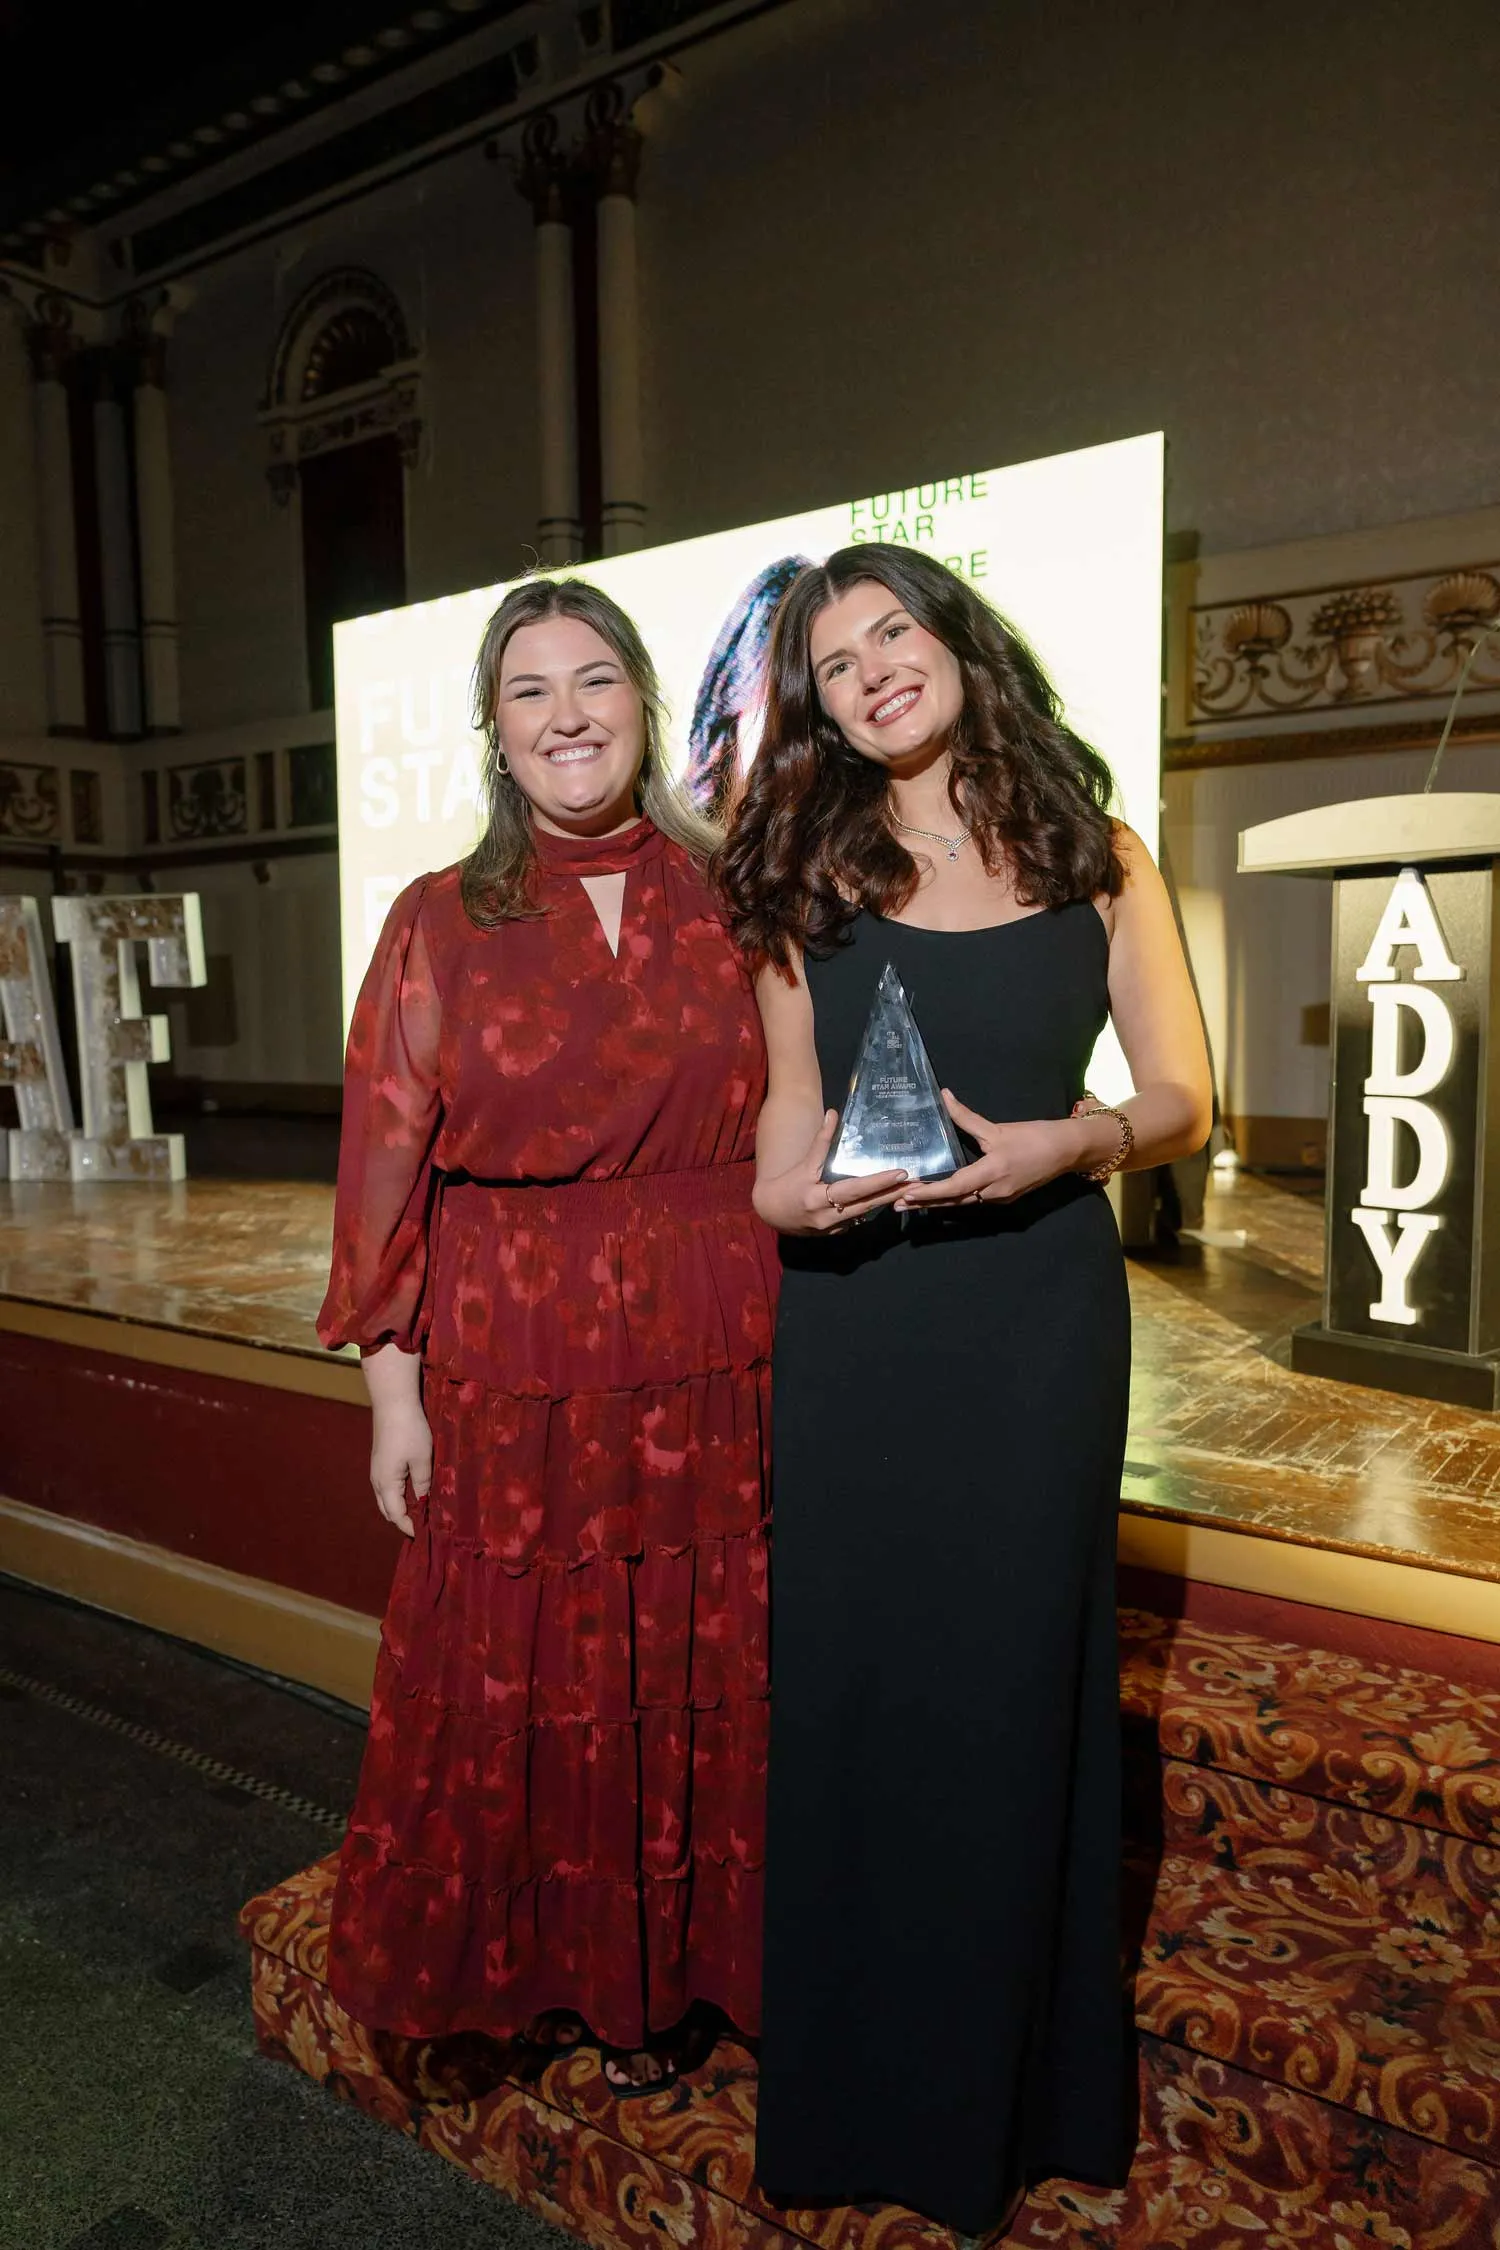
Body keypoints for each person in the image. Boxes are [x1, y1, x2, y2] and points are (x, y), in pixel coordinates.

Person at [716, 546, 1211, 2233]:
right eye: (836, 664)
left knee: (1013, 1694)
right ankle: (862, 2097)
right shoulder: (799, 870)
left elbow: (1181, 1098)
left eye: (892, 637)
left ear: (954, 642)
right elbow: (790, 1114)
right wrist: (782, 1195)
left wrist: (1078, 1142)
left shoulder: (1099, 851)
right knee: (861, 1700)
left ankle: (1022, 2096)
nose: (870, 674)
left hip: (1035, 1327)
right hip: (858, 1325)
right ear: (823, 708)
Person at [318, 578, 777, 2095]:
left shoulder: (741, 897)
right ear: (495, 730)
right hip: (518, 1354)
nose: (569, 713)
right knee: (537, 1672)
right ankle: (548, 1975)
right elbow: (382, 1175)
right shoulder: (438, 922)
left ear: (647, 703)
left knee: (705, 1658)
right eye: (532, 689)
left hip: (726, 1337)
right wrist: (397, 1397)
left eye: (596, 680)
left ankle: (695, 1971)